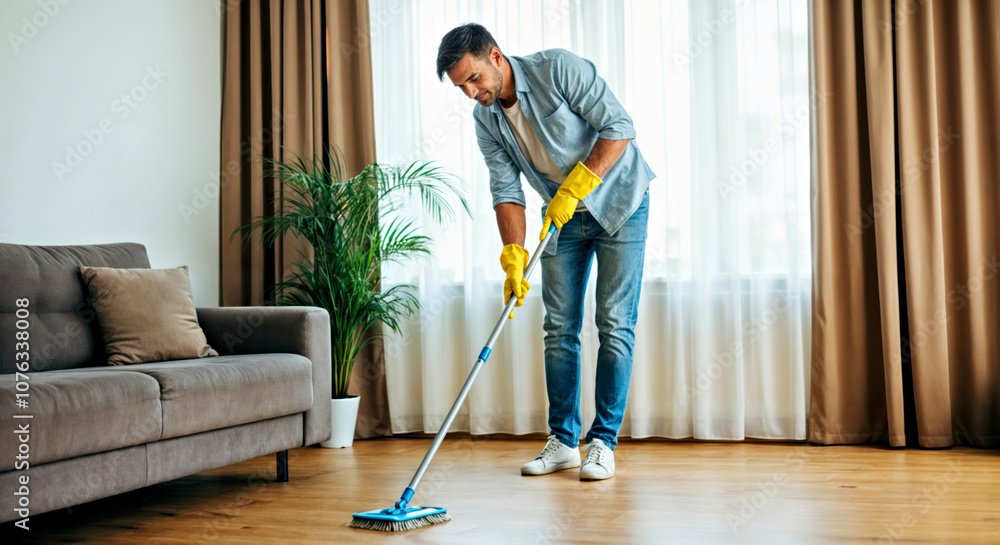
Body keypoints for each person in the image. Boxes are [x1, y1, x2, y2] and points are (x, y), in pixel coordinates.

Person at [437, 23, 654, 481]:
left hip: (620, 201)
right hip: (562, 216)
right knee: (558, 328)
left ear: (496, 57)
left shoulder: (557, 68)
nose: (471, 92)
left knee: (614, 322)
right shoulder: (486, 119)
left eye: (474, 78)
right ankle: (564, 442)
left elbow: (619, 127)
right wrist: (513, 257)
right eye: (461, 87)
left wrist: (576, 186)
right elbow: (506, 191)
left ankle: (603, 443)